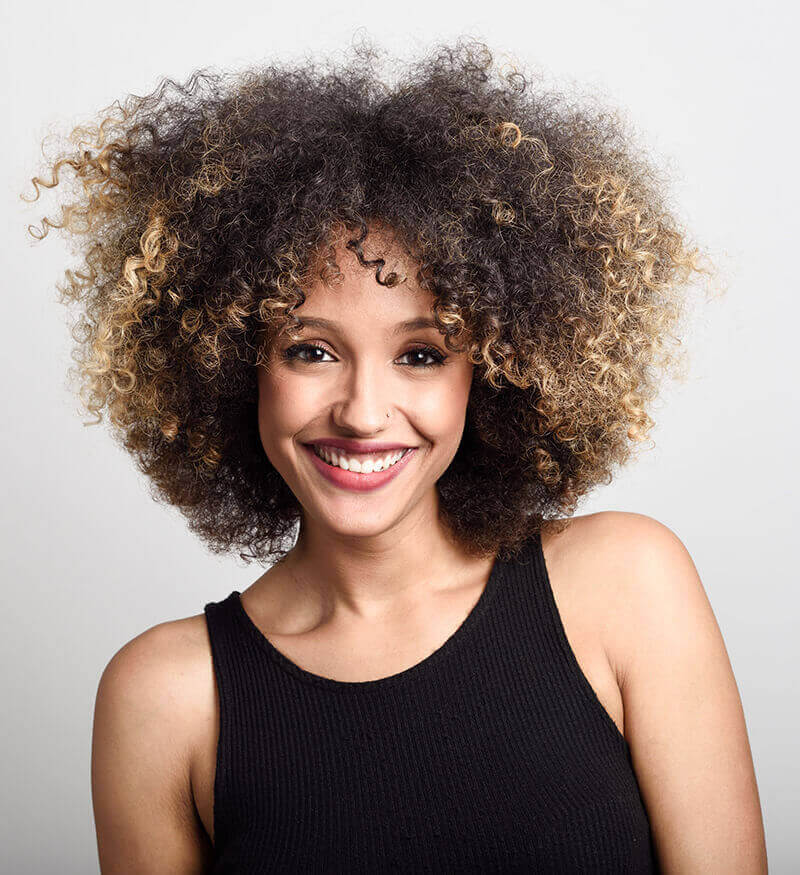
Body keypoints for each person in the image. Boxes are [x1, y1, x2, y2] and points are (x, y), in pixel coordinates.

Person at [25, 35, 767, 873]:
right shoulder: (166, 699)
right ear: (233, 365)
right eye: (310, 349)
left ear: (493, 371)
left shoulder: (625, 585)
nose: (364, 412)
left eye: (421, 353)